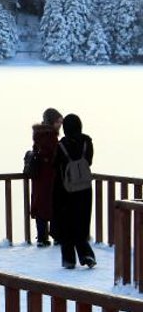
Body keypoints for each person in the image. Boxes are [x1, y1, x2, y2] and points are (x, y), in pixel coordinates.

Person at [53, 114, 96, 269]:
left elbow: (56, 164)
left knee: (67, 222)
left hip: (66, 188)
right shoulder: (87, 142)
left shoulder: (61, 145)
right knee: (82, 221)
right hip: (85, 188)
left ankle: (69, 259)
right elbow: (89, 161)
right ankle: (86, 255)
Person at [30, 108, 63, 247]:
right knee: (54, 205)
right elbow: (56, 156)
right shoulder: (51, 137)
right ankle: (56, 235)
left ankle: (42, 237)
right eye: (58, 122)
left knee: (41, 205)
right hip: (51, 176)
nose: (60, 125)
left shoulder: (39, 136)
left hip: (39, 177)